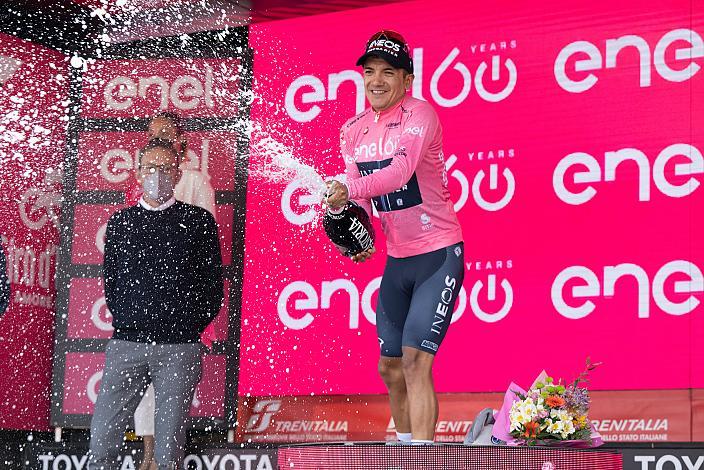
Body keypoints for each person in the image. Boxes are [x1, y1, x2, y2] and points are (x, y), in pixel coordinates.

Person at [326, 30, 465, 444]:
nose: (377, 80)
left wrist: (348, 190)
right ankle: (406, 451)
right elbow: (361, 196)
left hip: (438, 253)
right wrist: (348, 227)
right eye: (369, 72)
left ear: (407, 81)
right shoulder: (352, 129)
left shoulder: (420, 114)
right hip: (398, 258)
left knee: (416, 359)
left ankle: (423, 458)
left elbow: (399, 174)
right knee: (389, 367)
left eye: (389, 72)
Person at [88, 138, 224, 470]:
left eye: (165, 169)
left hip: (178, 349)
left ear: (178, 175)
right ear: (137, 174)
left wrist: (187, 326)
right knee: (102, 446)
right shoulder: (121, 223)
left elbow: (212, 286)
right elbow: (112, 281)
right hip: (127, 345)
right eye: (150, 168)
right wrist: (128, 321)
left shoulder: (198, 221)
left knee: (168, 455)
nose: (157, 175)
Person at [132, 113, 218, 470]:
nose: (161, 139)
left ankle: (167, 459)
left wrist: (193, 308)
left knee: (173, 389)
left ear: (181, 143)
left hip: (180, 306)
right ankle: (147, 457)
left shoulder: (196, 182)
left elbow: (206, 244)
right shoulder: (138, 186)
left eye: (167, 134)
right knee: (145, 389)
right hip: (144, 309)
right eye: (154, 134)